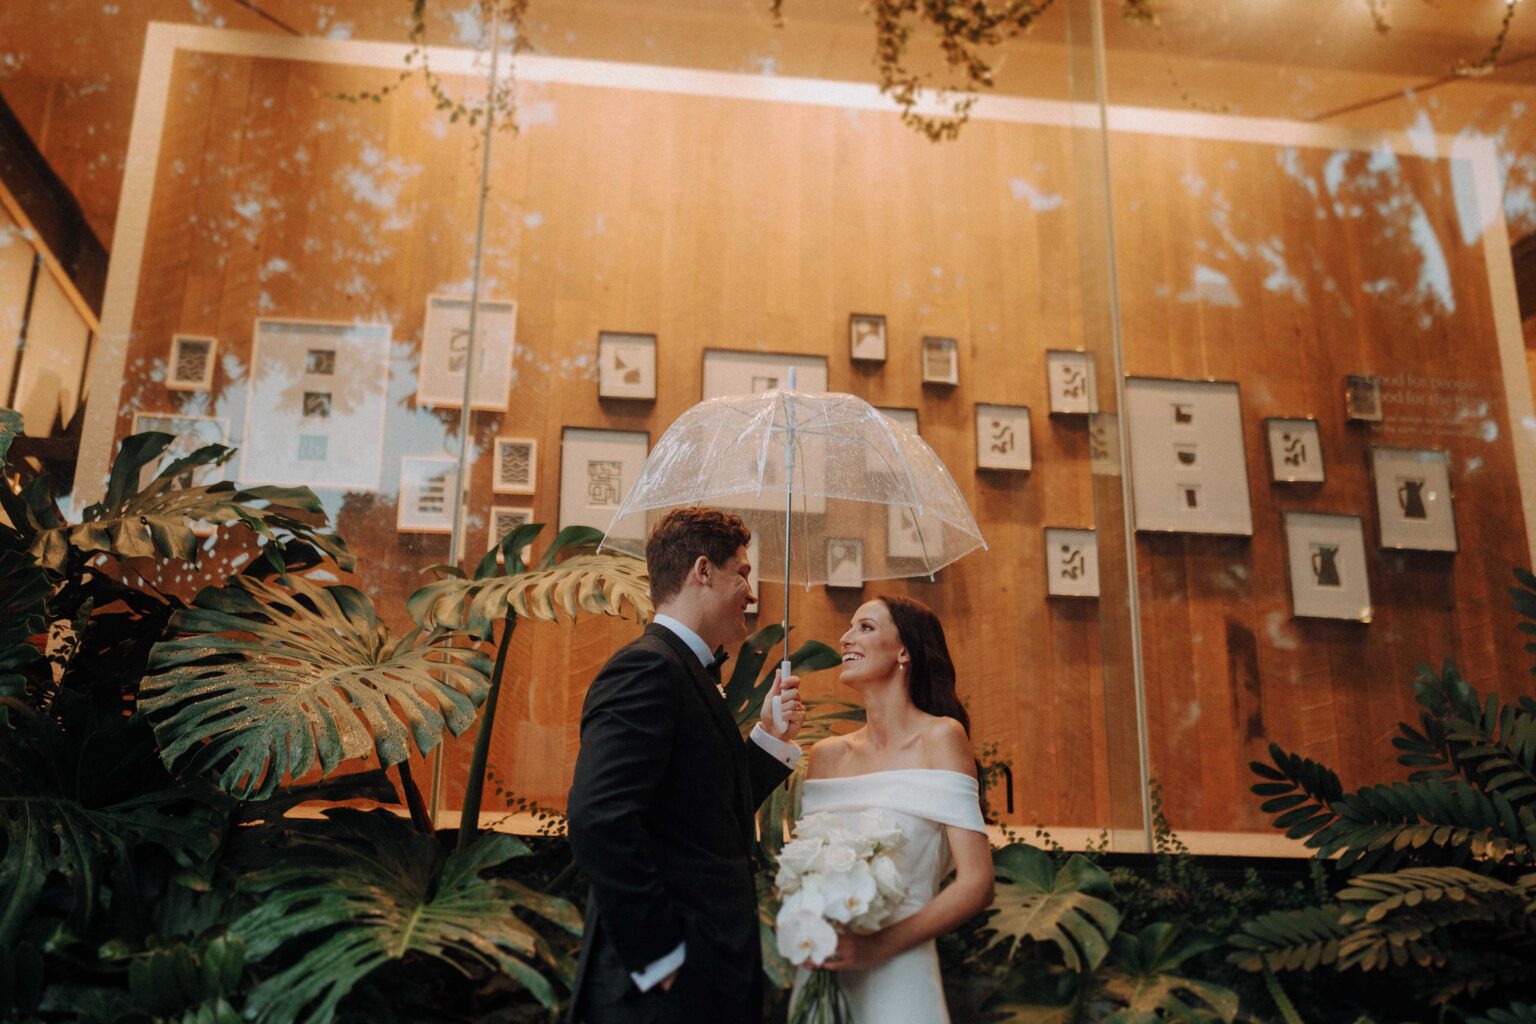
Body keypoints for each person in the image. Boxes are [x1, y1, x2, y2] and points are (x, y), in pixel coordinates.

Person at [566, 507, 807, 1024]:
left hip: (707, 976)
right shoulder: (648, 667)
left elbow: (702, 814)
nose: (751, 590)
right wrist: (660, 954)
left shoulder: (682, 668)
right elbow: (599, 817)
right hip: (658, 994)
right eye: (741, 572)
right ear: (703, 570)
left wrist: (769, 739)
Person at [794, 594, 994, 1024]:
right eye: (849, 627)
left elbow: (977, 883)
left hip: (899, 971)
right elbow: (801, 872)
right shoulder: (827, 756)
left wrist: (874, 948)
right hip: (822, 967)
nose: (846, 637)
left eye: (865, 627)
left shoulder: (941, 738)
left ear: (905, 650)